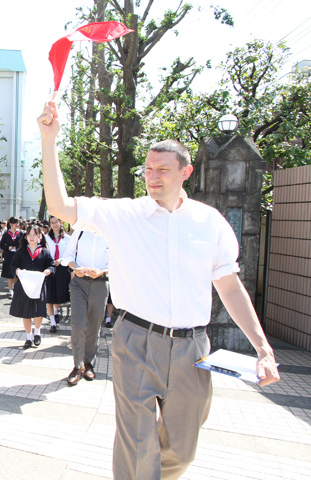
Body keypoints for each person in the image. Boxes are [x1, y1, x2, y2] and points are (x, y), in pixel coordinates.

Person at [37, 101, 280, 480]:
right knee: (137, 444)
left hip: (192, 348)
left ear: (186, 172)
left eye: (163, 169)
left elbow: (230, 289)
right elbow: (61, 204)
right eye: (148, 169)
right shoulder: (125, 214)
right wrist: (48, 141)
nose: (153, 176)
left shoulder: (209, 222)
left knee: (181, 452)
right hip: (135, 341)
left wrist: (263, 349)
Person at [60, 229, 109, 385]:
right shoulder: (80, 232)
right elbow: (67, 256)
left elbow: (120, 261)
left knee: (94, 325)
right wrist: (75, 268)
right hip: (79, 284)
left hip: (100, 283)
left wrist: (102, 271)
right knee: (78, 324)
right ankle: (77, 365)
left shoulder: (110, 233)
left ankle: (88, 363)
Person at [9, 224, 55, 348]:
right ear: (25, 236)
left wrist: (48, 271)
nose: (32, 237)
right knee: (26, 312)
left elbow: (51, 265)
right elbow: (13, 265)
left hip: (39, 286)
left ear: (40, 236)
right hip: (24, 285)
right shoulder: (21, 251)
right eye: (29, 234)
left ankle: (37, 333)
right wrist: (17, 271)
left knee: (38, 311)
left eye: (34, 235)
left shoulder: (45, 251)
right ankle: (28, 337)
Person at [44, 215, 72, 333]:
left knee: (60, 295)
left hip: (62, 268)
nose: (54, 224)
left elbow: (70, 253)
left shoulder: (67, 238)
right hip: (49, 268)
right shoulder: (46, 238)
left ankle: (56, 311)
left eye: (56, 222)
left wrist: (60, 260)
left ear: (61, 222)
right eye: (52, 222)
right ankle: (53, 322)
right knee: (49, 296)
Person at [0, 217, 22, 298]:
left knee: (17, 273)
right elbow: (1, 244)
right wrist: (7, 247)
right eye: (15, 223)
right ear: (11, 224)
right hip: (8, 255)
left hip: (18, 255)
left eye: (18, 223)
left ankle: (15, 289)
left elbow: (24, 244)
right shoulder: (6, 234)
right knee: (9, 274)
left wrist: (17, 247)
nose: (17, 225)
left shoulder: (21, 233)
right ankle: (10, 290)